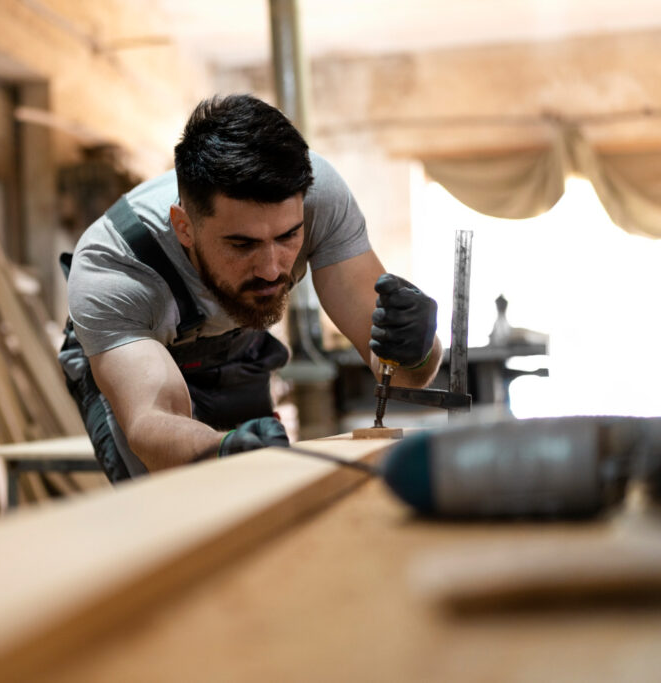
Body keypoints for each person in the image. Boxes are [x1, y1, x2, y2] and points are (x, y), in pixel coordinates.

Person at [59, 94, 441, 482]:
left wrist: (416, 352)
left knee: (268, 492)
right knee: (171, 507)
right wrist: (219, 452)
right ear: (183, 227)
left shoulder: (320, 198)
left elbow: (401, 377)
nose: (272, 270)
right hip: (132, 355)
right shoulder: (115, 269)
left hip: (236, 341)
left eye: (288, 236)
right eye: (242, 245)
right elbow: (151, 425)